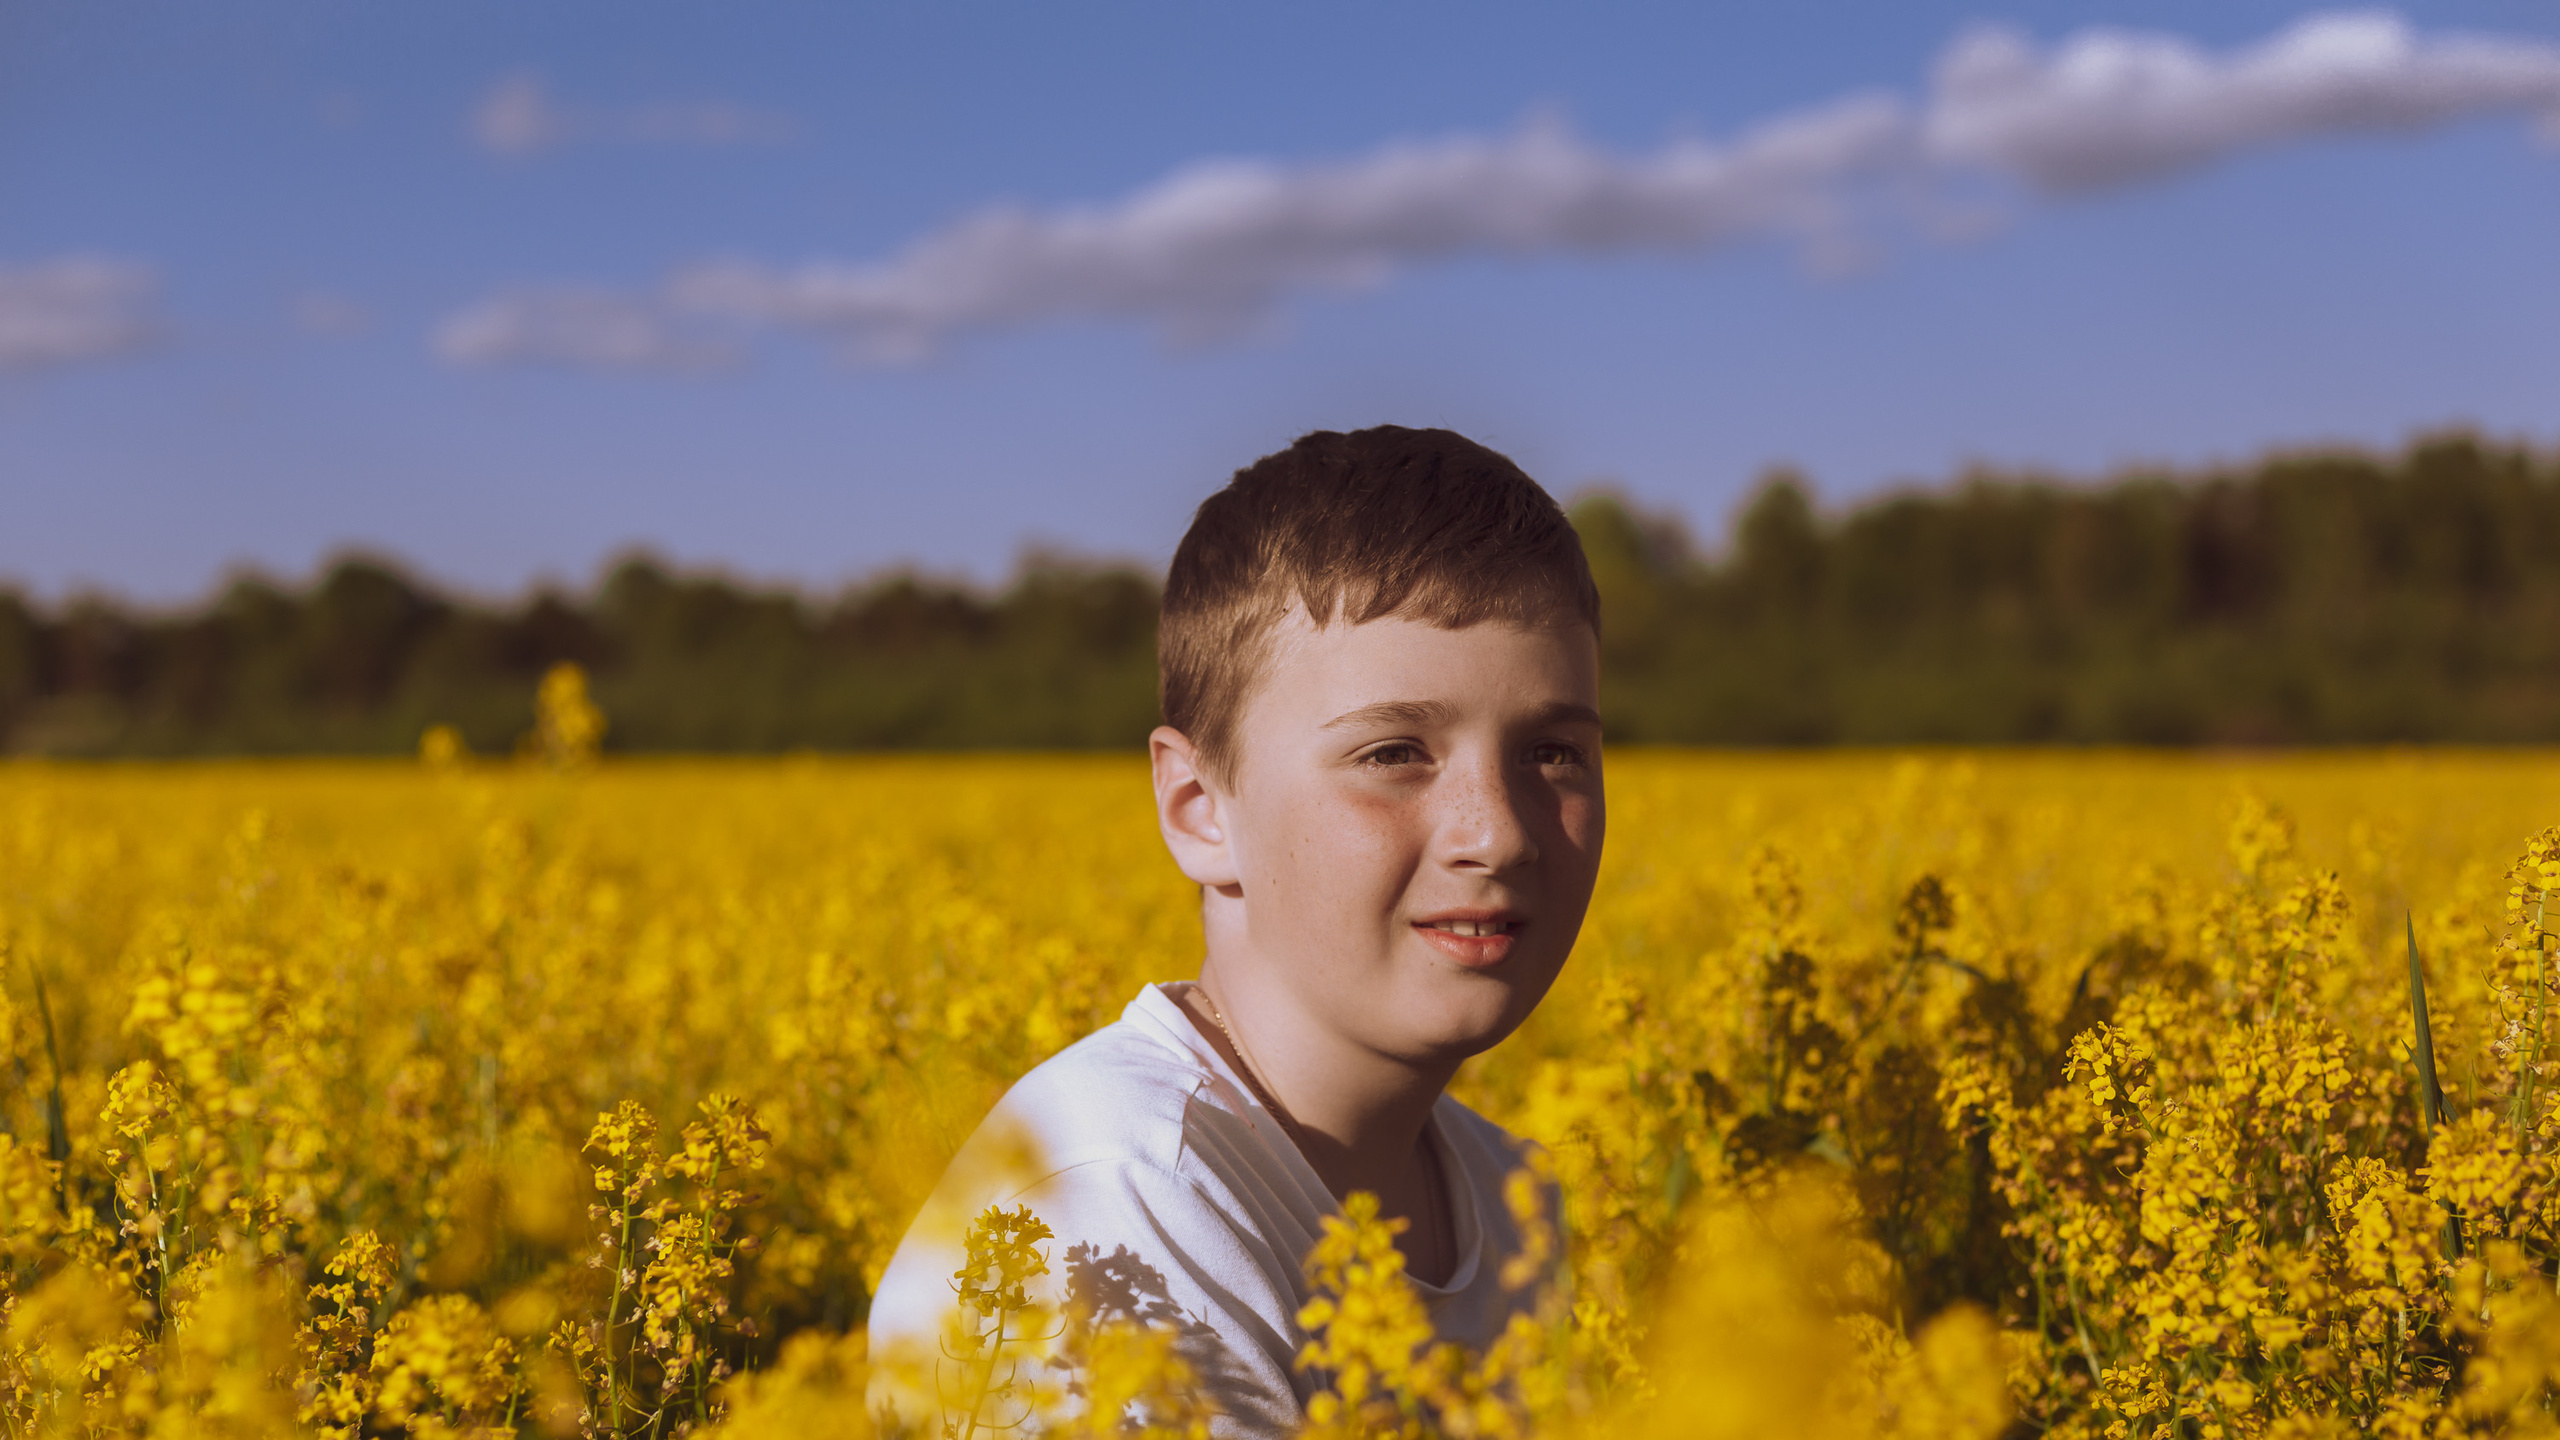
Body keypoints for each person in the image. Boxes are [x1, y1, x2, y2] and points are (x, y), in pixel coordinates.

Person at [865, 425, 1606, 1438]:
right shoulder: (1104, 1225)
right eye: (1394, 753)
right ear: (1198, 810)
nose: (1498, 832)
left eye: (1554, 753)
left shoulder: (1516, 1201)